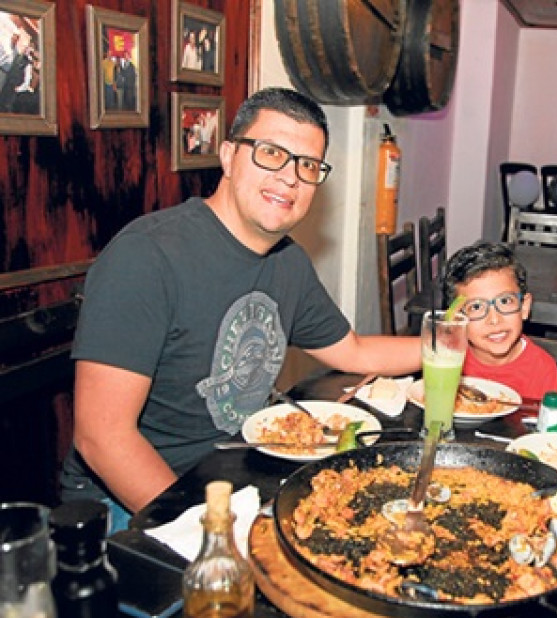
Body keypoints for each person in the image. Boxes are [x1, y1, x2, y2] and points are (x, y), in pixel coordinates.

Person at [61, 87, 421, 531]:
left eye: (308, 165)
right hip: (132, 500)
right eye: (271, 153)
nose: (290, 178)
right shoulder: (146, 257)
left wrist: (450, 345)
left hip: (231, 473)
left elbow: (355, 351)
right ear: (229, 156)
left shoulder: (289, 263)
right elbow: (103, 437)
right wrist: (213, 533)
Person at [441, 242, 557, 401]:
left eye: (505, 301)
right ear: (457, 317)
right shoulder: (446, 360)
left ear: (524, 307)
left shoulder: (542, 369)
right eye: (476, 307)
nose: (494, 319)